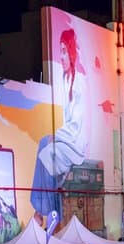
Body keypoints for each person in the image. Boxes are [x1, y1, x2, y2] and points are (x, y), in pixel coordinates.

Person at [30, 28, 87, 225]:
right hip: (67, 135)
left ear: (70, 52)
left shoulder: (78, 82)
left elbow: (76, 123)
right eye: (59, 51)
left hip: (75, 140)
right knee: (42, 143)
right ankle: (41, 208)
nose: (61, 56)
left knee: (46, 152)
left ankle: (46, 210)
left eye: (64, 51)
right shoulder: (65, 79)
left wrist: (59, 135)